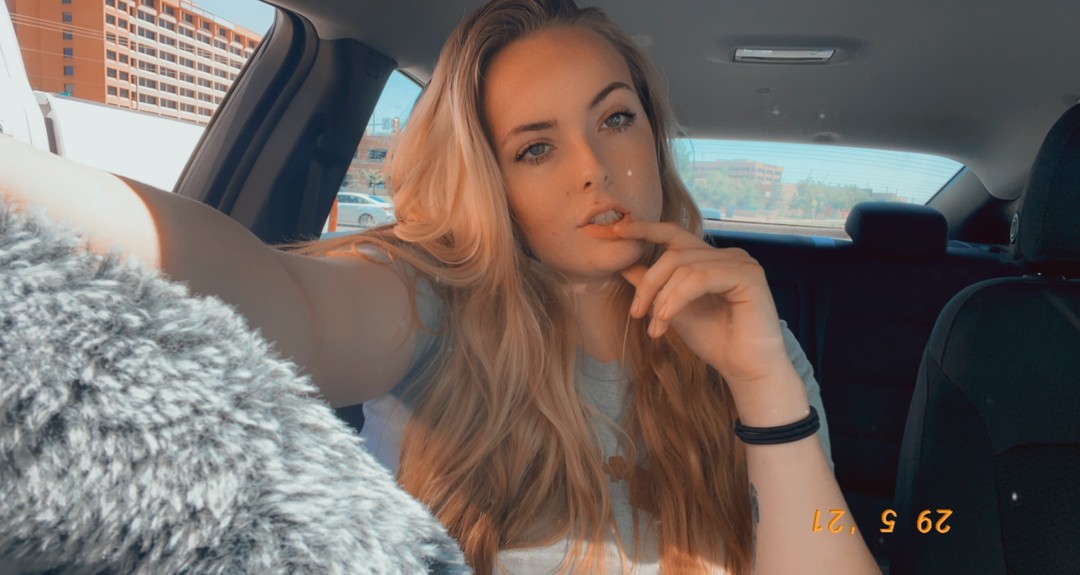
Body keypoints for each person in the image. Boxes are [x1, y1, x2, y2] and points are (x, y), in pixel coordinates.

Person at [0, 0, 880, 573]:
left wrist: (762, 384)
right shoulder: (434, 299)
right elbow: (277, 300)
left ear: (652, 134)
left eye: (616, 117)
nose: (594, 167)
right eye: (536, 147)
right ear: (491, 179)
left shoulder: (748, 336)